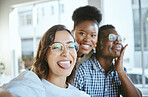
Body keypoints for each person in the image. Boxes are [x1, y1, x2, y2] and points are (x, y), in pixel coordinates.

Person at [2, 25, 90, 97]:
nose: (66, 53)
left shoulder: (81, 95)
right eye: (57, 47)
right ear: (44, 55)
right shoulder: (32, 84)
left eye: (71, 46)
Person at [73, 24, 142, 97]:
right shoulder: (81, 70)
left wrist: (121, 72)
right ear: (98, 43)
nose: (118, 42)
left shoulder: (119, 71)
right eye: (112, 37)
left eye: (120, 39)